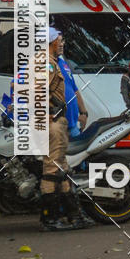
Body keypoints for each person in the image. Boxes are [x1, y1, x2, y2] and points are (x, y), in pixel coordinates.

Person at [40, 27, 94, 231]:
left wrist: (82, 111)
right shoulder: (44, 64)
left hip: (62, 122)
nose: (62, 43)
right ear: (51, 42)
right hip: (52, 124)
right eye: (59, 40)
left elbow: (73, 88)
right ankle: (50, 218)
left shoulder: (58, 62)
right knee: (52, 171)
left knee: (63, 171)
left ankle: (73, 215)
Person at [55, 33, 89, 138]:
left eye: (62, 41)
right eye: (57, 41)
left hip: (73, 127)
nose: (61, 44)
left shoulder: (62, 63)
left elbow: (74, 88)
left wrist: (83, 113)